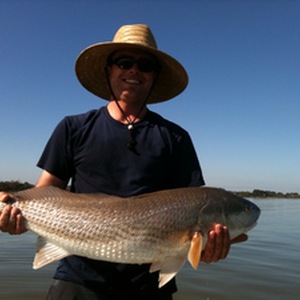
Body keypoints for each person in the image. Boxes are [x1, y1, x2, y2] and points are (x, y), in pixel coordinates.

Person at [0, 24, 247, 300]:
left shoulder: (176, 138)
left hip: (147, 286)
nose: (133, 70)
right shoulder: (72, 127)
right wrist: (13, 212)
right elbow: (45, 190)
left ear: (155, 76)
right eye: (124, 62)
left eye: (145, 65)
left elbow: (191, 203)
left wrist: (205, 250)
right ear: (109, 70)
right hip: (78, 278)